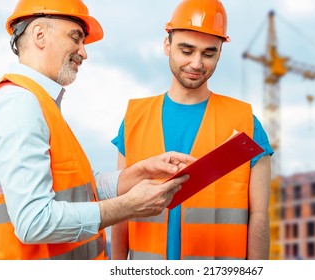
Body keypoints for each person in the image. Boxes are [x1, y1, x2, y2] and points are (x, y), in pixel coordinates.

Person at [0, 0, 195, 260]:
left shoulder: (36, 102)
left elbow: (72, 187)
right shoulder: (19, 104)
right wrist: (127, 207)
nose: (84, 53)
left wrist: (136, 174)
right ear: (39, 35)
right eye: (76, 38)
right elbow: (34, 222)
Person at [111, 0, 274, 260]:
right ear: (167, 46)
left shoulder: (246, 123)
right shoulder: (134, 119)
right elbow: (119, 208)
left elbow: (259, 216)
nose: (197, 63)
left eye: (209, 53)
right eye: (186, 51)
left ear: (220, 52)